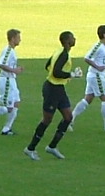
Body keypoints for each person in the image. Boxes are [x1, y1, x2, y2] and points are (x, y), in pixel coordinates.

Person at [24, 31, 80, 160]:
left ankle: (52, 146)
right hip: (52, 90)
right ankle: (30, 148)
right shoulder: (63, 54)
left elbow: (47, 66)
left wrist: (66, 76)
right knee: (47, 120)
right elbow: (55, 72)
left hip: (59, 89)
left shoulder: (59, 51)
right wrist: (71, 75)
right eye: (72, 38)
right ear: (67, 41)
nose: (74, 39)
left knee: (68, 117)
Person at [70, 24, 105, 132]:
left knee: (88, 99)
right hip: (97, 76)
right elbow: (87, 58)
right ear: (104, 35)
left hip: (95, 76)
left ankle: (70, 119)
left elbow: (102, 60)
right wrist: (97, 67)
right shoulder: (98, 47)